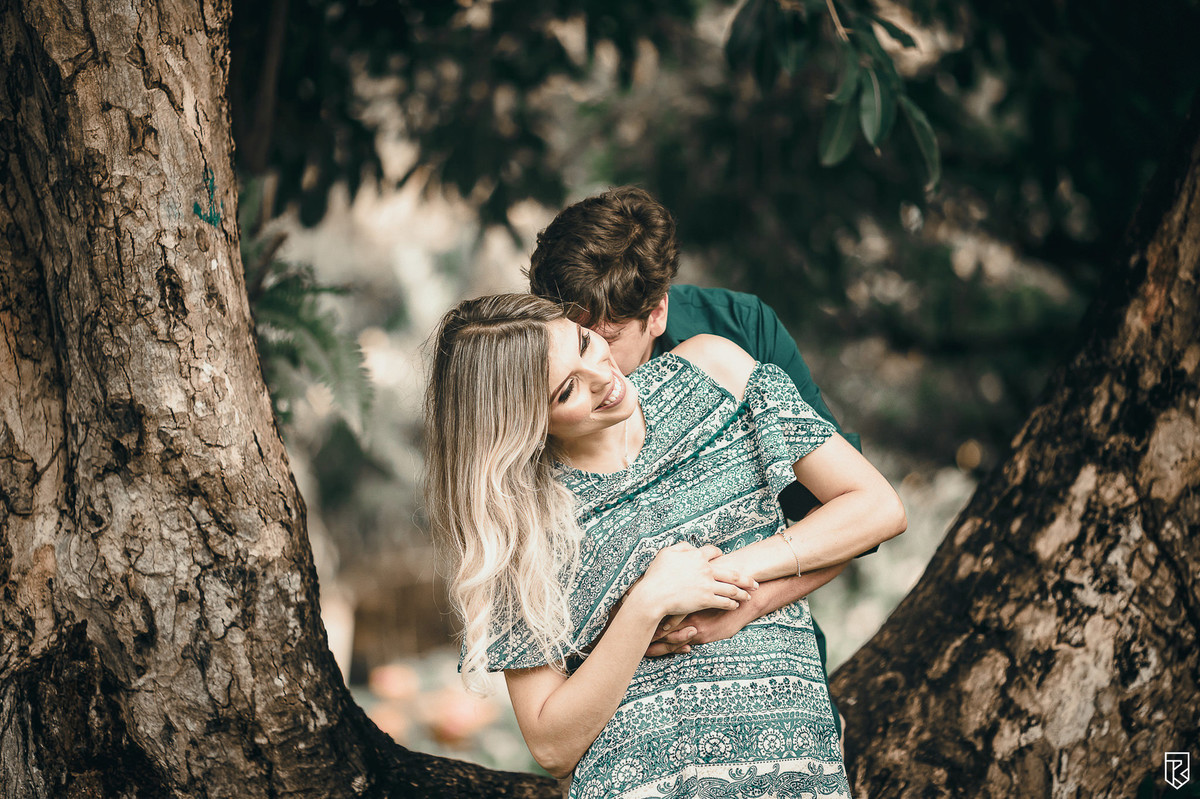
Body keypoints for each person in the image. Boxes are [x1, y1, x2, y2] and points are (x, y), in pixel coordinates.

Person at [425, 293, 905, 798]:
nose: (603, 377)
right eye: (568, 391)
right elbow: (550, 746)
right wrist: (647, 604)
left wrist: (724, 580)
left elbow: (876, 508)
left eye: (586, 344)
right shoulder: (517, 521)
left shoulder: (714, 369)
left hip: (793, 771)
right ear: (522, 423)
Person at [526, 186, 861, 707]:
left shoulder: (737, 337)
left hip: (771, 662)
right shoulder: (531, 375)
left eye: (603, 341)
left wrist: (743, 604)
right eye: (574, 340)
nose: (588, 369)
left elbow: (844, 514)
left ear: (656, 313)